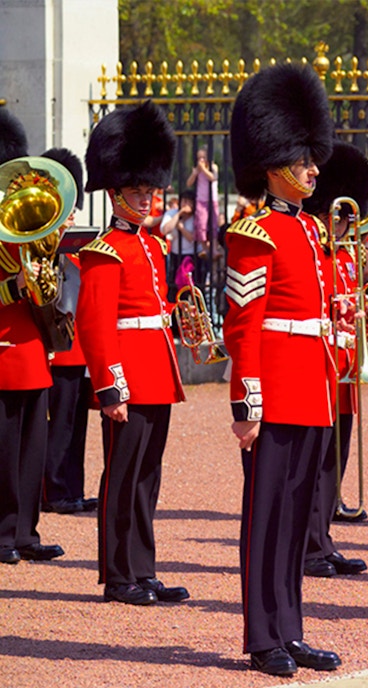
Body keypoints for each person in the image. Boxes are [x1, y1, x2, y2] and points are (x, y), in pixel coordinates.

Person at [224, 63, 341, 677]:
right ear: (272, 165)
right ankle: (263, 635)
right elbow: (244, 327)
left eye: (311, 159)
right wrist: (247, 403)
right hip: (274, 392)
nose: (314, 169)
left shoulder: (312, 230)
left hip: (313, 389)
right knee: (266, 519)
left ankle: (290, 628)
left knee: (297, 522)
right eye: (302, 161)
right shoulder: (255, 234)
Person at [78, 101, 187, 604]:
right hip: (126, 376)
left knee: (148, 475)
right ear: (116, 192)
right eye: (137, 192)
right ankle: (118, 575)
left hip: (156, 371)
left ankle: (144, 569)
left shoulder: (151, 246)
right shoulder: (104, 250)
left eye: (150, 191)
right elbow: (95, 324)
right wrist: (110, 387)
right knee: (121, 478)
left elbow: (153, 309)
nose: (146, 200)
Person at [298, 141, 368, 578]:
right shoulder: (319, 251)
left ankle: (322, 537)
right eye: (341, 215)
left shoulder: (345, 255)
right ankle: (310, 543)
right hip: (324, 363)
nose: (347, 223)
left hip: (345, 365)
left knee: (335, 458)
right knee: (317, 457)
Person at [0, 108, 66, 566]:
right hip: (4, 352)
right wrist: (14, 287)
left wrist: (48, 278)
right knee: (3, 454)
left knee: (31, 452)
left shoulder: (31, 237)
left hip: (33, 353)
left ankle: (26, 531)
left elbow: (50, 291)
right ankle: (2, 535)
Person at [41, 147, 97, 515]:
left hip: (79, 348)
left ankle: (71, 487)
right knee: (58, 424)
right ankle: (55, 490)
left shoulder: (77, 244)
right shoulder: (43, 243)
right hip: (57, 349)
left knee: (76, 425)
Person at [160, 189, 199, 295]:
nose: (186, 204)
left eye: (189, 202)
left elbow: (193, 238)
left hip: (193, 255)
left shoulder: (197, 217)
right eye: (184, 201)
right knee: (174, 286)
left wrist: (181, 228)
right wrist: (179, 214)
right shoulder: (172, 213)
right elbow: (164, 230)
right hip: (176, 254)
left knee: (193, 287)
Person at [185, 147, 220, 244]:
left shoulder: (213, 167)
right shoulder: (197, 169)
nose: (201, 160)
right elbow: (188, 183)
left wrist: (204, 169)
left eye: (203, 157)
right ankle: (204, 246)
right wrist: (194, 174)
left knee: (213, 224)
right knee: (201, 224)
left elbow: (213, 177)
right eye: (199, 158)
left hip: (212, 200)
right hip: (201, 200)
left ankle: (214, 247)